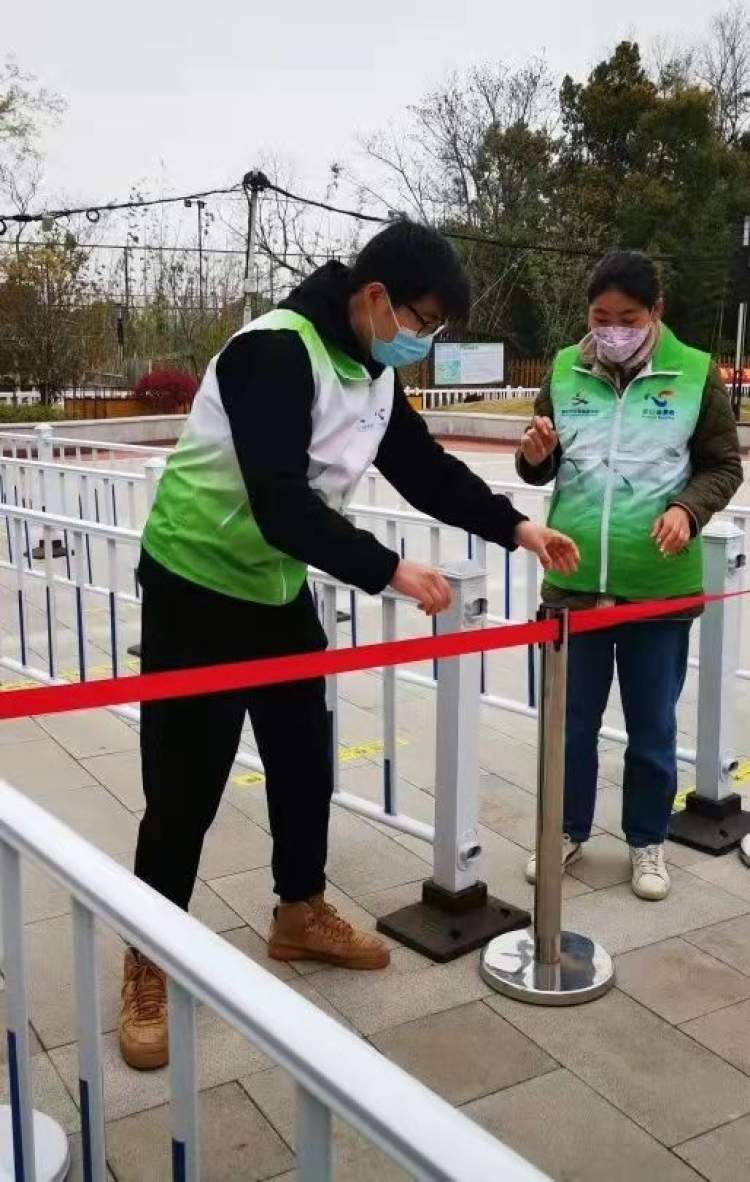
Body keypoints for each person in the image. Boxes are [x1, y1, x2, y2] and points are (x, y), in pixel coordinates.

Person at [119, 219, 580, 1070]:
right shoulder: (273, 352)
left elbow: (424, 469)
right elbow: (279, 503)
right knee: (183, 788)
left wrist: (517, 526)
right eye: (422, 321)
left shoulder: (373, 372)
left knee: (304, 761)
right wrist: (390, 569)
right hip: (196, 589)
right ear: (375, 298)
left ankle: (300, 911)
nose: (423, 340)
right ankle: (147, 956)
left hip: (274, 591)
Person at [517, 250, 743, 903]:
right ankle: (563, 830)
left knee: (652, 728)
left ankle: (647, 840)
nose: (612, 330)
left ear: (656, 312)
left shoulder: (695, 373)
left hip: (658, 589)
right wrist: (534, 456)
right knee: (569, 724)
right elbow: (540, 462)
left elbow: (723, 466)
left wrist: (686, 509)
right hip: (573, 582)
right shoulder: (564, 369)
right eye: (601, 317)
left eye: (628, 318)